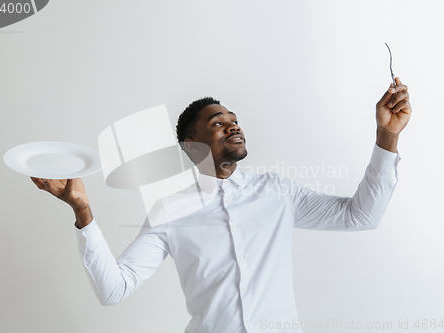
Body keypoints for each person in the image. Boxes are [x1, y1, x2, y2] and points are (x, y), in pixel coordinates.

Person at [31, 77, 411, 333]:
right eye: (217, 123)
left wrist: (386, 135)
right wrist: (83, 212)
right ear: (189, 145)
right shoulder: (169, 211)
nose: (233, 126)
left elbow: (361, 215)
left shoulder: (276, 192)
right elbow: (114, 290)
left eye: (234, 120)